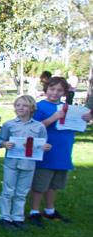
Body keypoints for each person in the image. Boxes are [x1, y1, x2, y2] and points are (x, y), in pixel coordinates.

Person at [29, 77, 92, 226]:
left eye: (59, 90)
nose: (55, 93)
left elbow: (77, 125)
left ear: (64, 92)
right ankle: (34, 211)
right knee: (40, 183)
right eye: (52, 89)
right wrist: (53, 118)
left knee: (54, 184)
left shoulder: (69, 108)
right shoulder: (39, 107)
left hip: (63, 152)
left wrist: (85, 119)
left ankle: (50, 210)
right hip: (45, 152)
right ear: (46, 90)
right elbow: (33, 127)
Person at [0, 95, 51, 230]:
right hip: (11, 163)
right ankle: (5, 217)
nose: (21, 108)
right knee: (8, 190)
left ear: (32, 108)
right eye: (18, 105)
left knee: (22, 191)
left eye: (25, 105)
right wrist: (4, 143)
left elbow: (43, 142)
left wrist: (46, 147)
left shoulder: (39, 127)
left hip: (29, 164)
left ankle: (18, 217)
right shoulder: (9, 124)